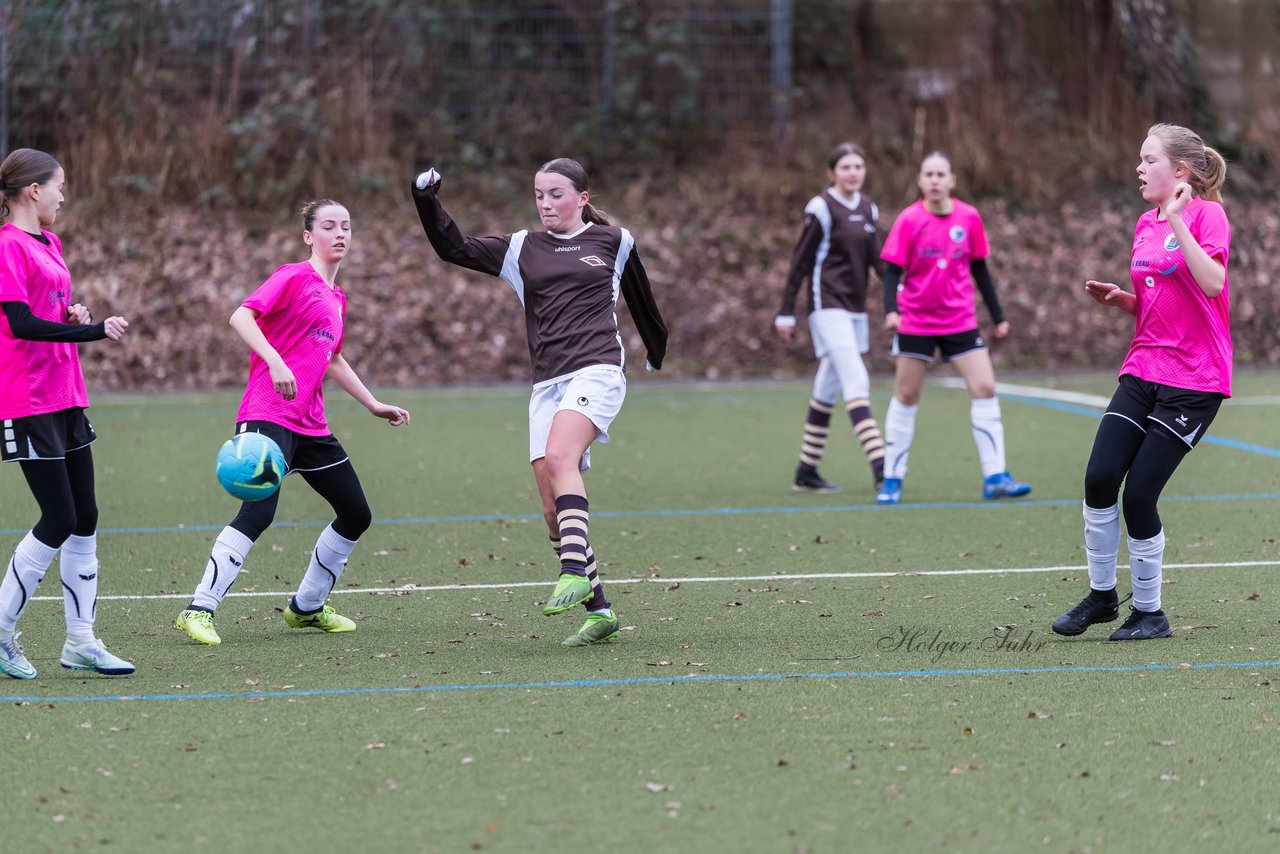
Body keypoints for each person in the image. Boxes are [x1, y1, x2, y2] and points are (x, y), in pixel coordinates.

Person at [410, 158, 667, 647]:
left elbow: (642, 298)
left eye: (556, 194)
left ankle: (572, 569)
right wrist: (427, 199)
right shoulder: (521, 248)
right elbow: (453, 248)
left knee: (559, 457)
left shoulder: (613, 241)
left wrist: (656, 350)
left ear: (582, 199)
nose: (546, 204)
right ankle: (600, 611)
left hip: (598, 369)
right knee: (551, 510)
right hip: (547, 382)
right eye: (539, 195)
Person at [176, 200, 410, 645]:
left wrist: (373, 404)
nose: (339, 233)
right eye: (328, 226)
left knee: (356, 513)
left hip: (311, 425)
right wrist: (274, 360)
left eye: (346, 226)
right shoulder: (293, 276)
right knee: (260, 510)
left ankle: (306, 607)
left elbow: (334, 359)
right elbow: (240, 316)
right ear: (309, 236)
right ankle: (199, 609)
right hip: (268, 413)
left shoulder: (336, 298)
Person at [1053, 124, 1231, 641]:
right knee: (1100, 478)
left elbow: (1214, 283)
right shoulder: (1143, 223)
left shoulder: (1207, 214)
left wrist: (1179, 217)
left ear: (1178, 172)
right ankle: (1103, 597)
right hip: (1143, 367)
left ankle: (1150, 613)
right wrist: (1124, 301)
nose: (1138, 167)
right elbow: (1164, 300)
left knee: (1139, 497)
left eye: (1147, 159)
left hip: (1195, 380)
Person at [0, 148, 134, 679]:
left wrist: (72, 313)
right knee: (58, 518)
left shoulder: (49, 242)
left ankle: (81, 641)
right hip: (27, 401)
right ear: (33, 191)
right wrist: (91, 330)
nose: (63, 195)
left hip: (67, 395)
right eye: (58, 186)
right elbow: (19, 324)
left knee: (86, 516)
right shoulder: (7, 246)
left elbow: (46, 312)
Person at [876, 151, 1031, 505]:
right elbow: (891, 272)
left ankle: (995, 476)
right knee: (906, 395)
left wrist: (998, 315)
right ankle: (892, 479)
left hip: (960, 320)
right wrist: (891, 310)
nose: (934, 180)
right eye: (928, 174)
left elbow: (980, 270)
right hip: (916, 320)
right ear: (920, 180)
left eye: (940, 174)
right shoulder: (909, 219)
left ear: (952, 180)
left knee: (985, 387)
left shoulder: (969, 217)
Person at [775, 142, 887, 495]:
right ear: (832, 173)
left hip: (855, 311)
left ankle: (806, 470)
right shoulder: (821, 208)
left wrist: (899, 299)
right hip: (827, 308)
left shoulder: (869, 207)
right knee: (856, 379)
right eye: (846, 167)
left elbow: (879, 263)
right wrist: (785, 310)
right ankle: (884, 468)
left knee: (828, 388)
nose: (853, 173)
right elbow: (800, 263)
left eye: (858, 166)